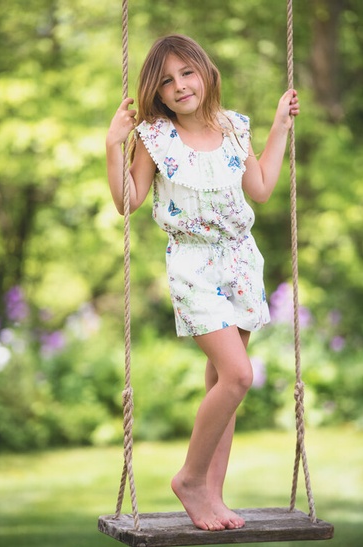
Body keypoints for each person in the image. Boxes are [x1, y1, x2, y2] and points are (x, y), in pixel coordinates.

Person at [106, 34, 300, 532]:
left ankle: (212, 496)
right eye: (167, 80)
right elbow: (128, 201)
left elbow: (260, 187)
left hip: (241, 262)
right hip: (193, 266)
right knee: (238, 375)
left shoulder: (234, 127)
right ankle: (191, 480)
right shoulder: (154, 137)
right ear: (157, 91)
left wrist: (279, 127)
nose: (179, 86)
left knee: (222, 383)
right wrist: (113, 146)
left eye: (186, 73)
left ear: (205, 72)